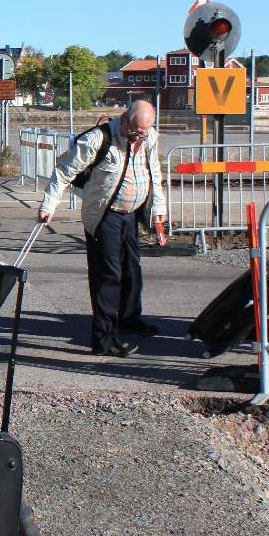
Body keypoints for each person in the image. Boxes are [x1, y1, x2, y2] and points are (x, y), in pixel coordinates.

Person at [38, 99, 167, 358]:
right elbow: (64, 171)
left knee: (131, 269)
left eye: (144, 131)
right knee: (108, 276)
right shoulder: (99, 139)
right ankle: (104, 339)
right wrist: (49, 205)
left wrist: (158, 211)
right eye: (135, 131)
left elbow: (154, 173)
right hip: (103, 215)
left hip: (131, 213)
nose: (139, 136)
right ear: (124, 118)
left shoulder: (149, 136)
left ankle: (129, 319)